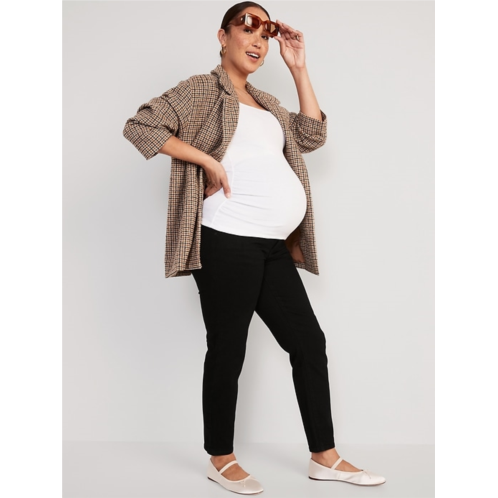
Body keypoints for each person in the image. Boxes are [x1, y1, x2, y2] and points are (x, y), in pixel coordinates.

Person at [123, 2, 386, 494]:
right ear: (222, 37)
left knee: (308, 343)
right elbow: (140, 126)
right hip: (226, 239)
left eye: (265, 32)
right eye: (247, 27)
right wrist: (206, 160)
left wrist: (299, 66)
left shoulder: (267, 102)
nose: (258, 39)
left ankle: (324, 456)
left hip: (271, 246)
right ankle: (220, 458)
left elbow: (312, 135)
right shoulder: (202, 89)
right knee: (229, 348)